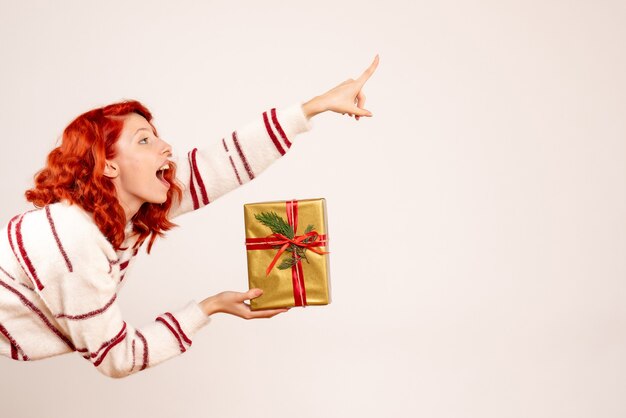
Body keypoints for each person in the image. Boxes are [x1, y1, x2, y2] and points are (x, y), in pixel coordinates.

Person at [0, 55, 379, 378]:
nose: (166, 146)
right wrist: (207, 308)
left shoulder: (120, 213)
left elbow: (217, 166)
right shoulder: (73, 239)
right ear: (108, 166)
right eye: (144, 140)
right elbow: (118, 358)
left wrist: (313, 107)